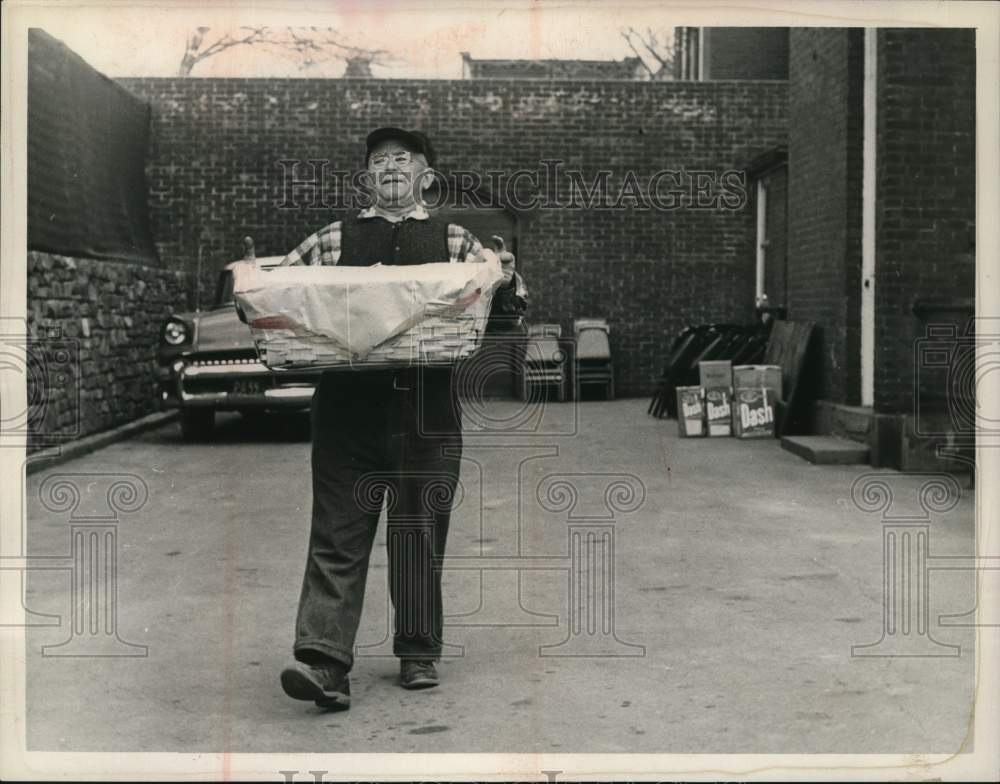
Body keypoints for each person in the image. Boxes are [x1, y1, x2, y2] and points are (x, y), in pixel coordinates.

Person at [277, 127, 525, 711]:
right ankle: (324, 663)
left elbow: (502, 313)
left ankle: (417, 651)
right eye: (379, 160)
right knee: (337, 535)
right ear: (367, 179)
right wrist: (252, 289)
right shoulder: (333, 238)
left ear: (426, 177)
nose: (390, 167)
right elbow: (283, 290)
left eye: (403, 159)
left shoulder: (455, 238)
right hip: (346, 411)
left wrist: (506, 280)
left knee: (418, 535)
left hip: (426, 412)